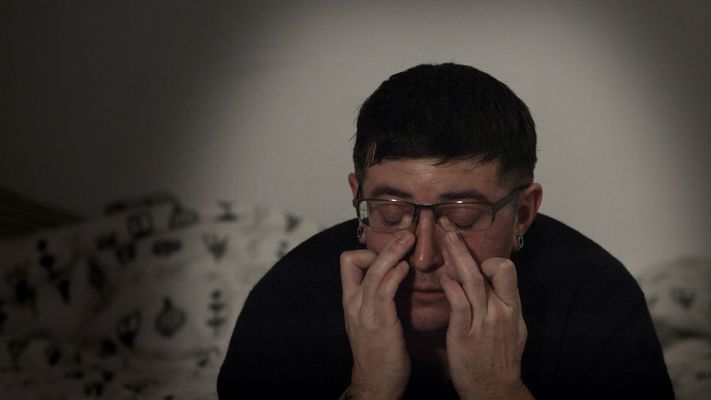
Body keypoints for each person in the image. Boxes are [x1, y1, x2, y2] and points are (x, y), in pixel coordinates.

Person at [217, 63, 673, 399]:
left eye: (462, 216)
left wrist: (499, 392)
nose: (423, 256)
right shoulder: (289, 301)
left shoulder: (596, 299)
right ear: (358, 197)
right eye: (392, 212)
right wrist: (369, 390)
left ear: (523, 213)